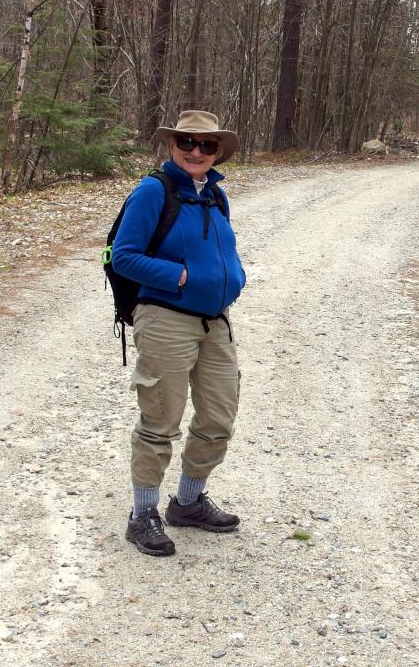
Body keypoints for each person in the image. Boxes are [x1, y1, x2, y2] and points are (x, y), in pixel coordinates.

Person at [111, 110, 247, 556]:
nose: (196, 151)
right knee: (160, 420)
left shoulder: (216, 195)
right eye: (187, 142)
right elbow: (123, 256)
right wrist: (180, 277)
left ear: (217, 152)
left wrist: (234, 277)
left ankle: (187, 502)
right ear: (171, 146)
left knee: (218, 419)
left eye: (207, 145)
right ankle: (142, 514)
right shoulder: (154, 191)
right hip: (166, 317)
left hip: (215, 321)